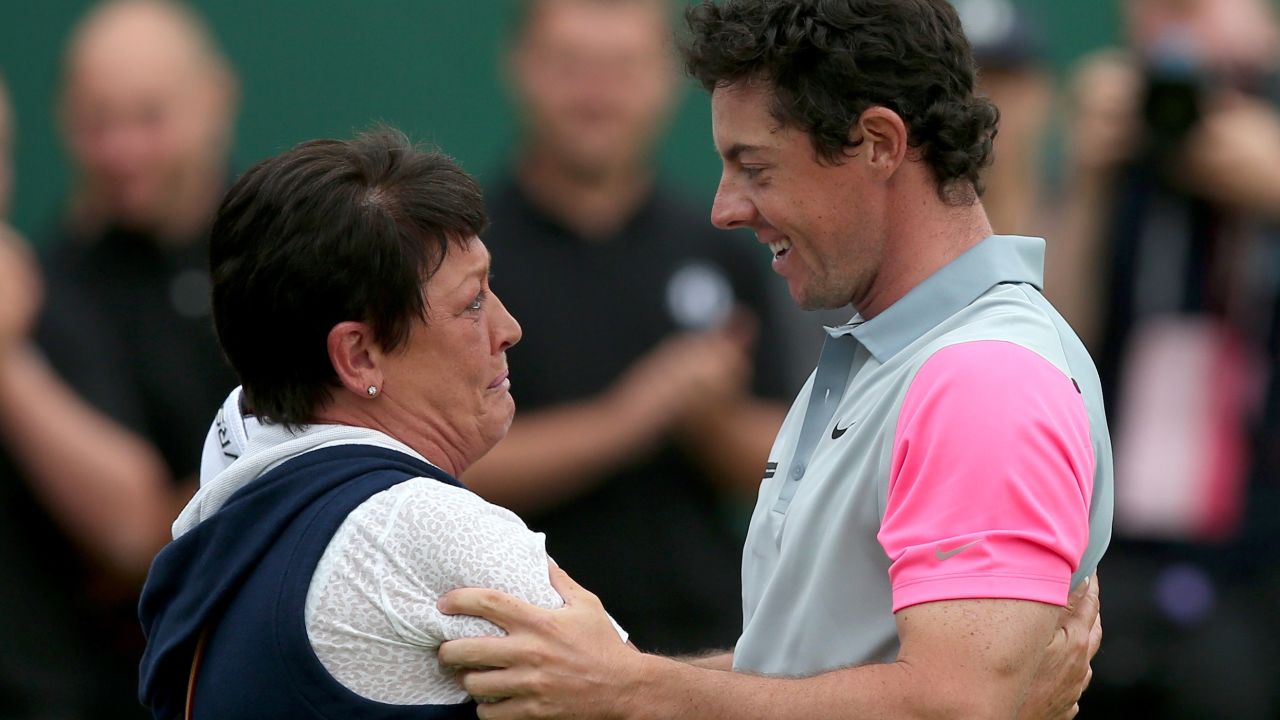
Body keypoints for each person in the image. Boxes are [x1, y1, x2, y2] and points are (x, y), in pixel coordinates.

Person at [436, 1, 1111, 718]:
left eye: (754, 165)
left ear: (879, 142)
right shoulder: (898, 357)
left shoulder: (983, 378)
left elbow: (950, 706)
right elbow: (801, 666)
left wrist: (633, 689)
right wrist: (606, 679)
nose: (726, 207)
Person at [137, 128, 629, 719]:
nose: (507, 327)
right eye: (471, 302)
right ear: (359, 356)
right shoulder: (424, 527)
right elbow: (643, 700)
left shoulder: (223, 521)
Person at [460, 0, 789, 653]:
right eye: (571, 65)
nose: (595, 93)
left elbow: (791, 463)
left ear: (668, 81)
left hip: (706, 647)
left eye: (622, 68)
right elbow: (441, 468)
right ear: (519, 68)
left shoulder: (726, 242)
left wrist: (709, 417)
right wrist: (635, 414)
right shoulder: (462, 256)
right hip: (518, 642)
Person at [1055, 0, 1280, 715]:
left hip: (1258, 552)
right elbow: (1050, 338)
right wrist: (1087, 177)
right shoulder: (1126, 137)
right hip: (1114, 548)